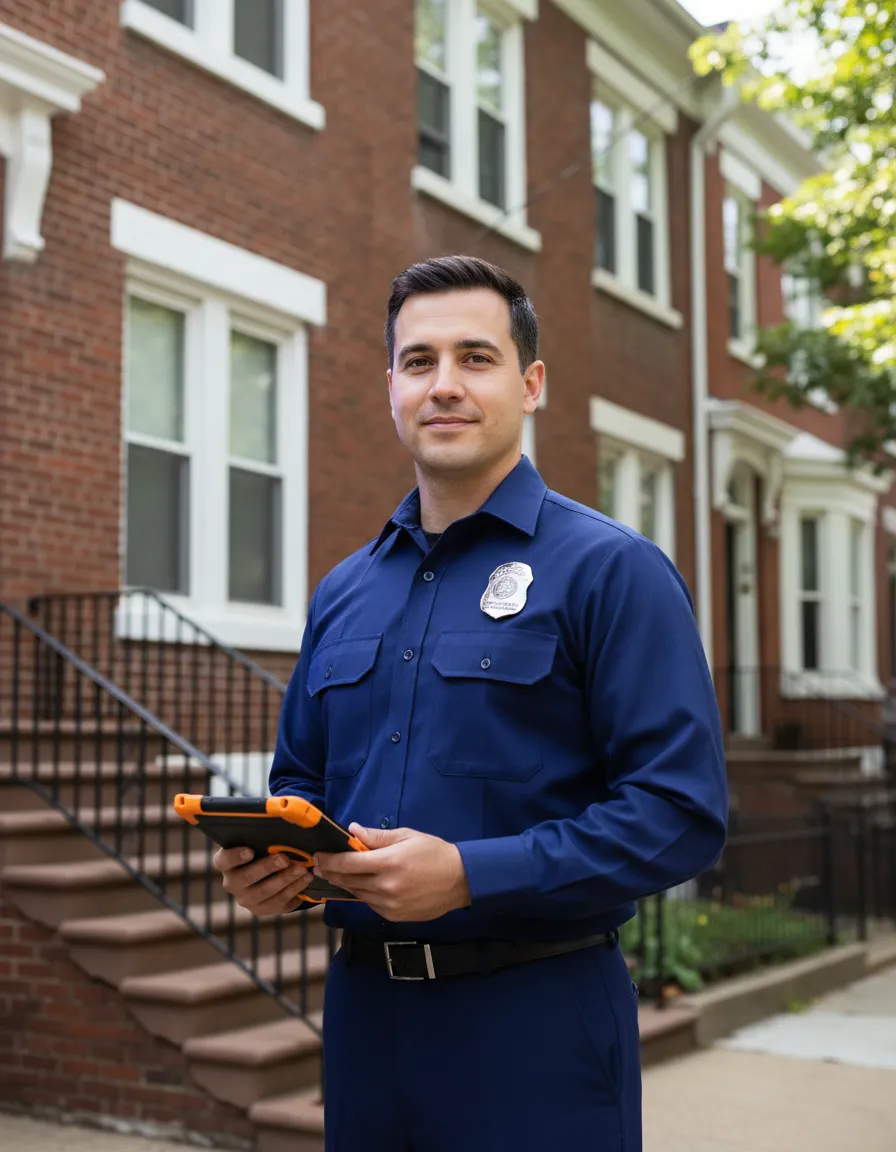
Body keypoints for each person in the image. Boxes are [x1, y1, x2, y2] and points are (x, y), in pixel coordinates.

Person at [213, 255, 728, 1151]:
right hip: (367, 1023)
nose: (443, 386)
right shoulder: (342, 590)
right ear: (390, 388)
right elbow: (299, 782)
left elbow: (680, 814)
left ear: (530, 385)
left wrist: (468, 876)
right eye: (419, 362)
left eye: (475, 358)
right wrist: (282, 876)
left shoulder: (613, 571)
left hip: (537, 1023)